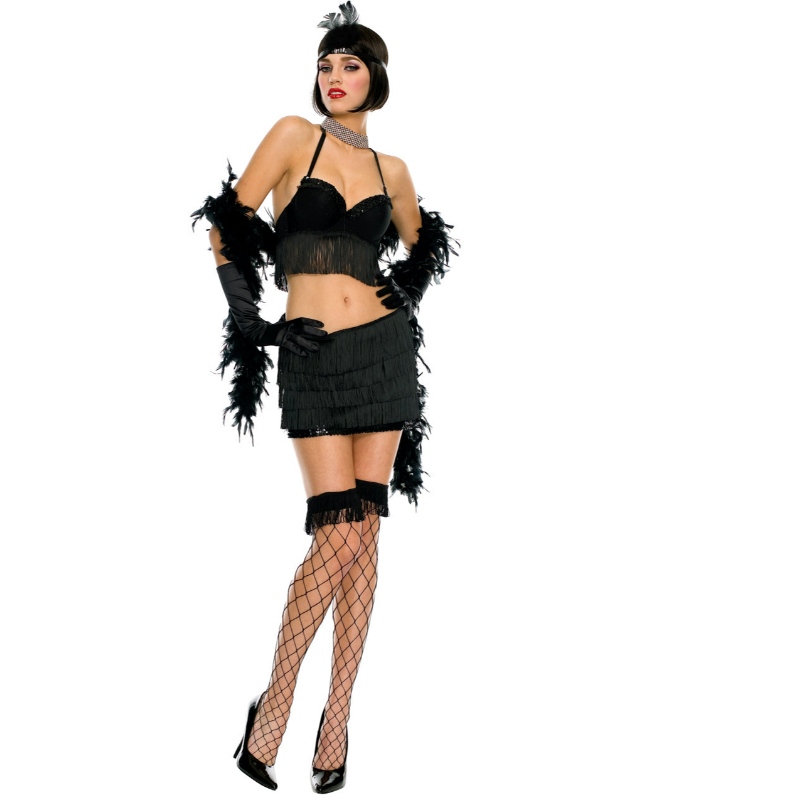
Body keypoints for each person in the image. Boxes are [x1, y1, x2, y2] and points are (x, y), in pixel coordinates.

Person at [191, 2, 456, 793]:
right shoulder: (291, 137)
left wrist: (404, 290)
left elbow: (422, 247)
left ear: (377, 76)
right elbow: (226, 226)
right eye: (325, 65)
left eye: (351, 64)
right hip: (311, 357)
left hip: (383, 357)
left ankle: (335, 720)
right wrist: (255, 323)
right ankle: (273, 707)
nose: (334, 77)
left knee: (363, 535)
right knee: (336, 535)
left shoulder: (392, 171)